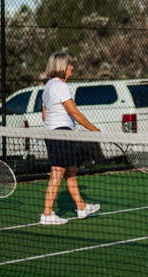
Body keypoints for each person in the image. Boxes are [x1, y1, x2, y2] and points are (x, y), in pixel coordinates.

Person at [40, 53, 101, 225]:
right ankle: (47, 214)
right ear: (61, 67)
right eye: (69, 65)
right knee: (57, 174)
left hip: (52, 133)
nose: (72, 67)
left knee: (71, 170)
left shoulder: (47, 87)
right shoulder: (61, 86)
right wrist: (94, 130)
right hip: (61, 134)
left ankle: (82, 207)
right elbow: (74, 112)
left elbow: (44, 116)